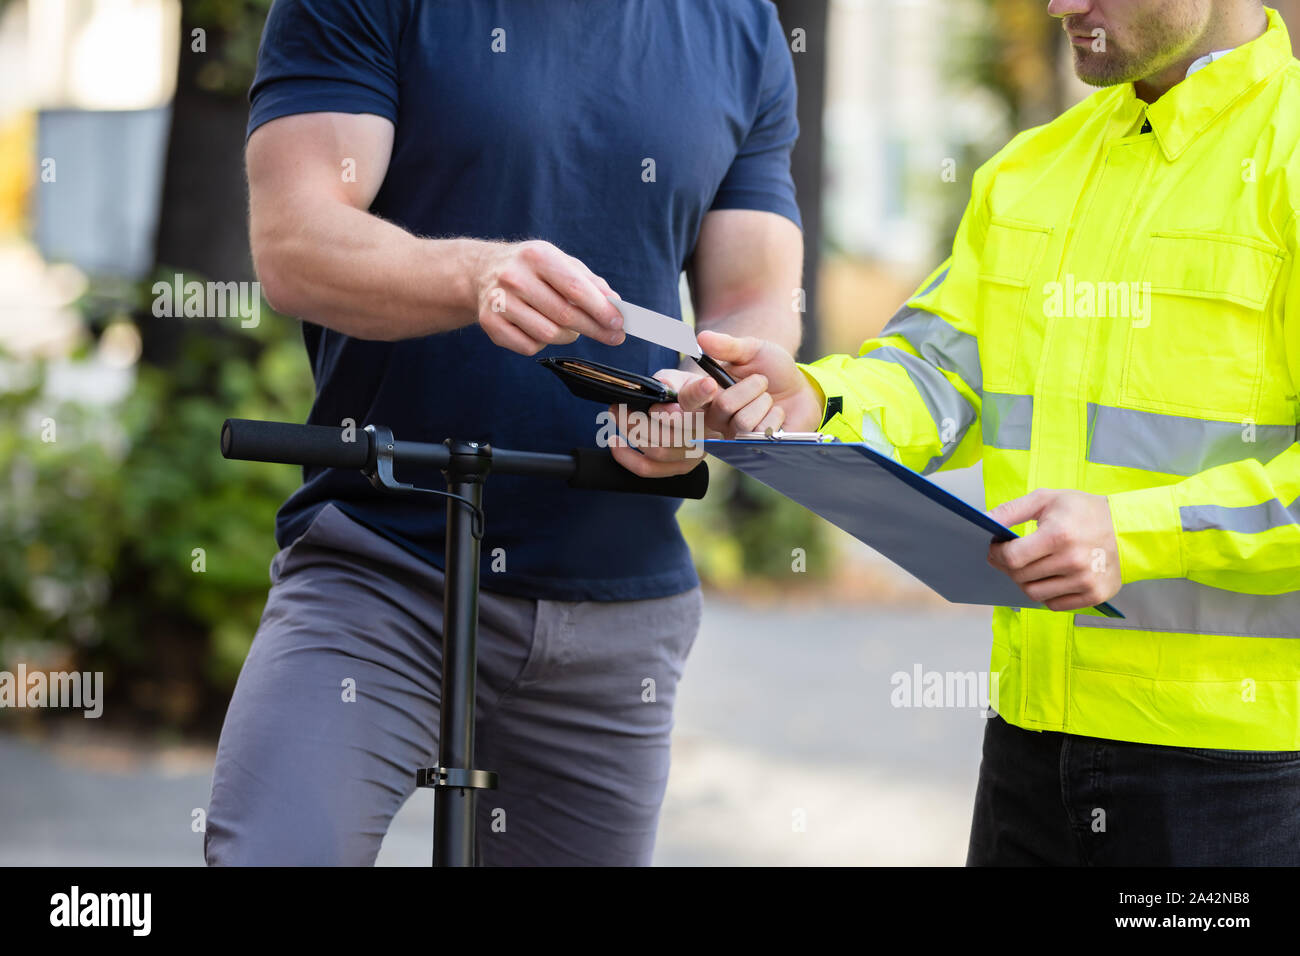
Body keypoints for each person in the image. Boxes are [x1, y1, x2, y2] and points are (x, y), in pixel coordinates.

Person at [676, 1, 1300, 865]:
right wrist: (813, 402)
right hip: (1030, 749)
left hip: (1245, 777)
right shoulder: (1029, 172)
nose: (1062, 5)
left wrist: (1138, 535)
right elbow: (937, 372)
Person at [205, 0, 803, 865]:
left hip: (618, 606)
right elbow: (296, 241)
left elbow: (752, 305)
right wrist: (476, 274)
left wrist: (707, 397)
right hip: (382, 568)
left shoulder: (740, 27)